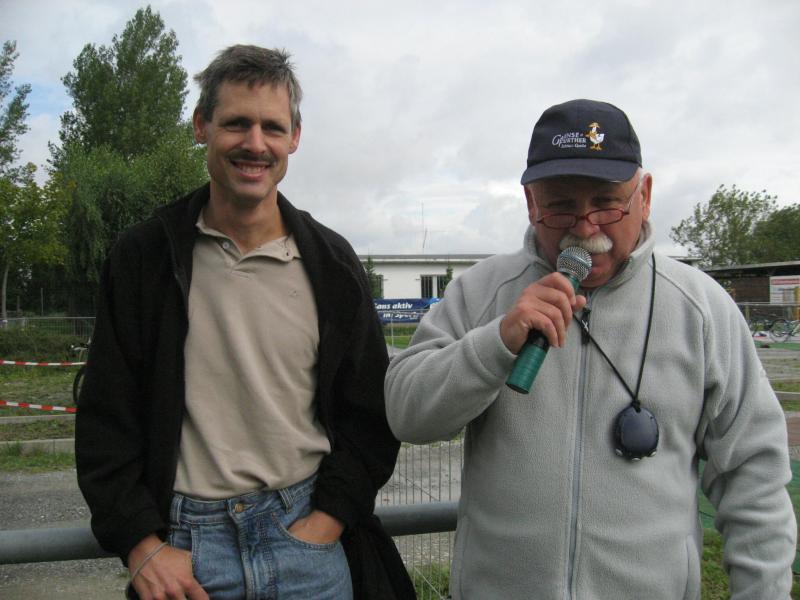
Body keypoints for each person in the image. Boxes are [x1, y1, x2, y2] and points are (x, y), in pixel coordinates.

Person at [384, 99, 796, 599]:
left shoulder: (702, 308)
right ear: (531, 203)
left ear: (645, 196)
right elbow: (406, 414)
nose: (585, 227)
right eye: (561, 206)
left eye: (606, 202)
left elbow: (753, 475)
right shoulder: (481, 291)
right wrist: (496, 344)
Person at [76, 45, 414, 600]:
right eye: (236, 123)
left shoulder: (332, 265)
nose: (255, 144)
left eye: (272, 127)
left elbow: (370, 416)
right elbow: (105, 417)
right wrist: (141, 545)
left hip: (307, 542)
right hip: (187, 557)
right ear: (201, 126)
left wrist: (327, 520)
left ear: (294, 138)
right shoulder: (145, 258)